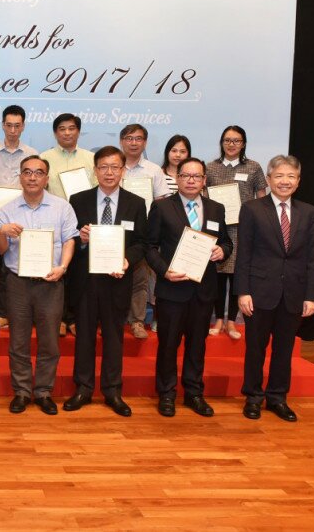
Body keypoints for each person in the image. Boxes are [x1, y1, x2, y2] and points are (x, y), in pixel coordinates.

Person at [63, 146, 148, 416]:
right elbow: (69, 240)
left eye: (115, 167)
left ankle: (113, 391)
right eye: (103, 167)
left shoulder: (136, 203)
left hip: (117, 281)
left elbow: (142, 244)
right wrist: (82, 239)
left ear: (123, 170)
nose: (109, 172)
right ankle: (83, 389)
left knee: (114, 338)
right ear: (95, 170)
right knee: (84, 336)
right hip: (86, 282)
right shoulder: (78, 200)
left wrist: (127, 260)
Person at [236, 155, 314, 422]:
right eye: (280, 176)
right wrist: (243, 291)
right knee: (255, 349)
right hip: (259, 291)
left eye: (291, 177)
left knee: (284, 350)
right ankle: (253, 397)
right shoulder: (252, 208)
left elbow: (313, 256)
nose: (285, 181)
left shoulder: (308, 212)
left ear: (298, 181)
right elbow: (244, 253)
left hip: (294, 293)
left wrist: (312, 295)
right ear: (270, 179)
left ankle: (277, 398)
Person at [146, 157, 232, 418]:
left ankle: (194, 393)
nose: (192, 180)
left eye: (197, 176)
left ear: (204, 180)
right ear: (178, 179)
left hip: (203, 291)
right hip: (172, 290)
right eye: (186, 175)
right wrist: (164, 271)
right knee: (168, 345)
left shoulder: (216, 208)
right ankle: (167, 394)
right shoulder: (162, 207)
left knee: (197, 345)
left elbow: (227, 243)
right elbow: (149, 247)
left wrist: (222, 251)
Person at [0, 156, 78, 415]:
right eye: (27, 172)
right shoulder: (7, 210)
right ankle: (21, 391)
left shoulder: (62, 207)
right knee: (18, 341)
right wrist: (2, 233)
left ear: (46, 178)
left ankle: (42, 392)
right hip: (17, 283)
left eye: (38, 173)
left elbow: (69, 241)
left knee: (49, 341)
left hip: (50, 283)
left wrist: (62, 267)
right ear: (20, 177)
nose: (32, 177)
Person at [206, 126, 268, 340]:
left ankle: (231, 320)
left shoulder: (253, 167)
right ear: (221, 143)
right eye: (227, 140)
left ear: (243, 143)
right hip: (217, 229)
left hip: (244, 229)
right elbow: (204, 197)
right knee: (217, 275)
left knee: (236, 275)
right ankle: (218, 320)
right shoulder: (211, 167)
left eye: (236, 140)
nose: (231, 144)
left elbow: (261, 197)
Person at [41, 113, 95, 337]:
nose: (67, 133)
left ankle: (74, 316)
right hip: (54, 219)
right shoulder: (44, 158)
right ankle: (60, 317)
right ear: (55, 132)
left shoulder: (91, 158)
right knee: (58, 270)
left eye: (71, 128)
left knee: (78, 272)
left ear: (78, 131)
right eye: (62, 129)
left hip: (83, 219)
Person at [119, 123, 171, 340]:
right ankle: (112, 318)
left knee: (139, 278)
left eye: (138, 138)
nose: (133, 142)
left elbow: (161, 202)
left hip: (142, 232)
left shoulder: (153, 170)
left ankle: (137, 320)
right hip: (111, 230)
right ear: (121, 141)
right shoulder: (113, 166)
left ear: (145, 142)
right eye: (129, 138)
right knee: (110, 277)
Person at [0, 105, 37, 219]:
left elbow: (34, 188)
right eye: (9, 125)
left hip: (24, 212)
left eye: (17, 126)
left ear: (23, 126)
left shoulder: (32, 154)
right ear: (3, 125)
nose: (13, 130)